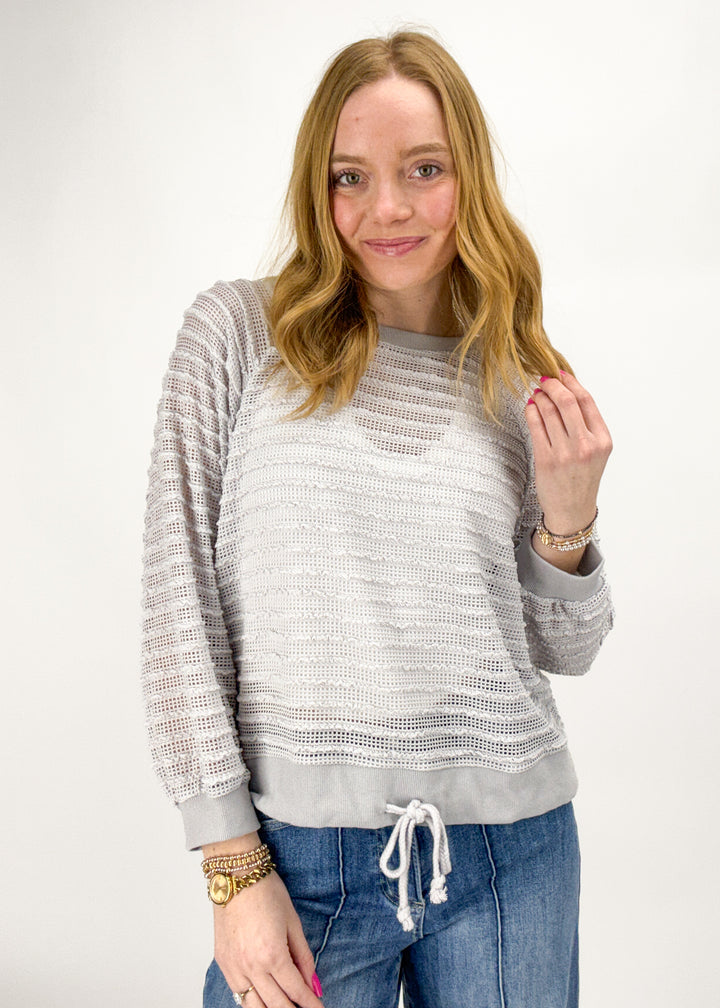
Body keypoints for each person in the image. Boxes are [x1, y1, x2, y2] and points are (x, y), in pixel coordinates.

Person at [142, 29, 614, 1008]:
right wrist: (233, 866)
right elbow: (175, 609)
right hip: (300, 861)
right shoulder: (234, 335)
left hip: (512, 853)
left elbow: (566, 652)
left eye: (423, 169)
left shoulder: (516, 372)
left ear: (469, 178)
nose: (386, 208)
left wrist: (568, 523)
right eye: (349, 176)